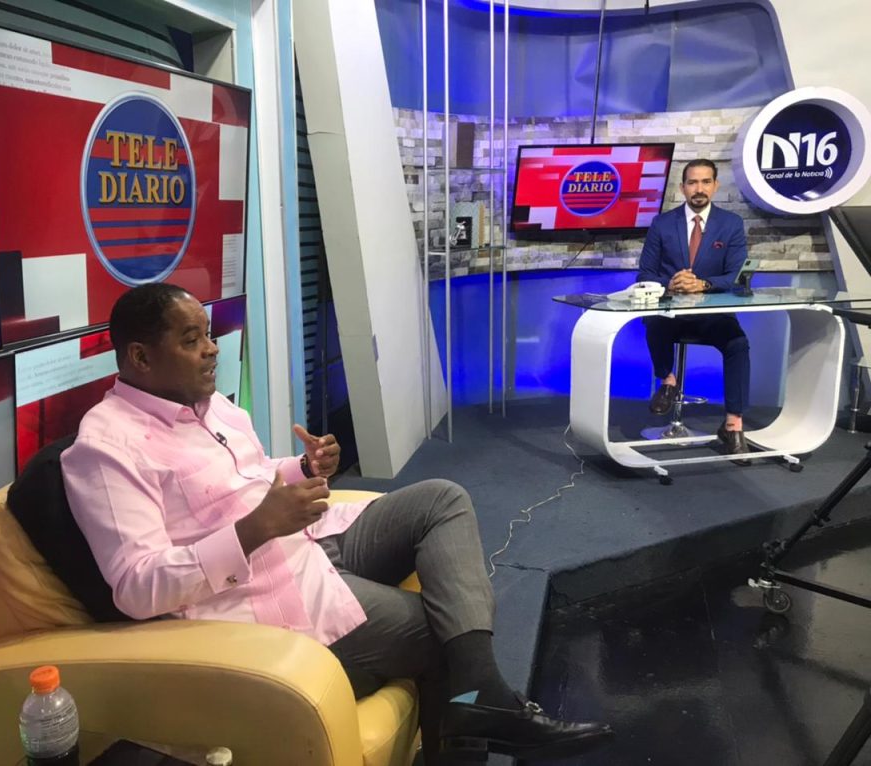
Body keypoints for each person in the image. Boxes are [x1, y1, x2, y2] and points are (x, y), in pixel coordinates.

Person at [61, 283, 612, 764]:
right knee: (443, 631)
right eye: (191, 340)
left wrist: (300, 468)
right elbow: (136, 586)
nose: (211, 349)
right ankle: (477, 712)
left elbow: (247, 477)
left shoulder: (212, 406)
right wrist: (254, 529)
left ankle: (479, 699)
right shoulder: (106, 449)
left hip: (312, 540)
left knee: (441, 499)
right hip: (258, 594)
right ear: (140, 357)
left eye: (207, 334)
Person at [637, 158, 751, 459]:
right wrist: (672, 283)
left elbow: (736, 276)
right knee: (654, 321)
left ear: (715, 185)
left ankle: (733, 425)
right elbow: (645, 273)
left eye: (705, 182)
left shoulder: (731, 224)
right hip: (672, 313)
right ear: (683, 187)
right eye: (692, 182)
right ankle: (668, 381)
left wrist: (703, 284)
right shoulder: (662, 223)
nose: (699, 188)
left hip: (711, 316)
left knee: (738, 343)